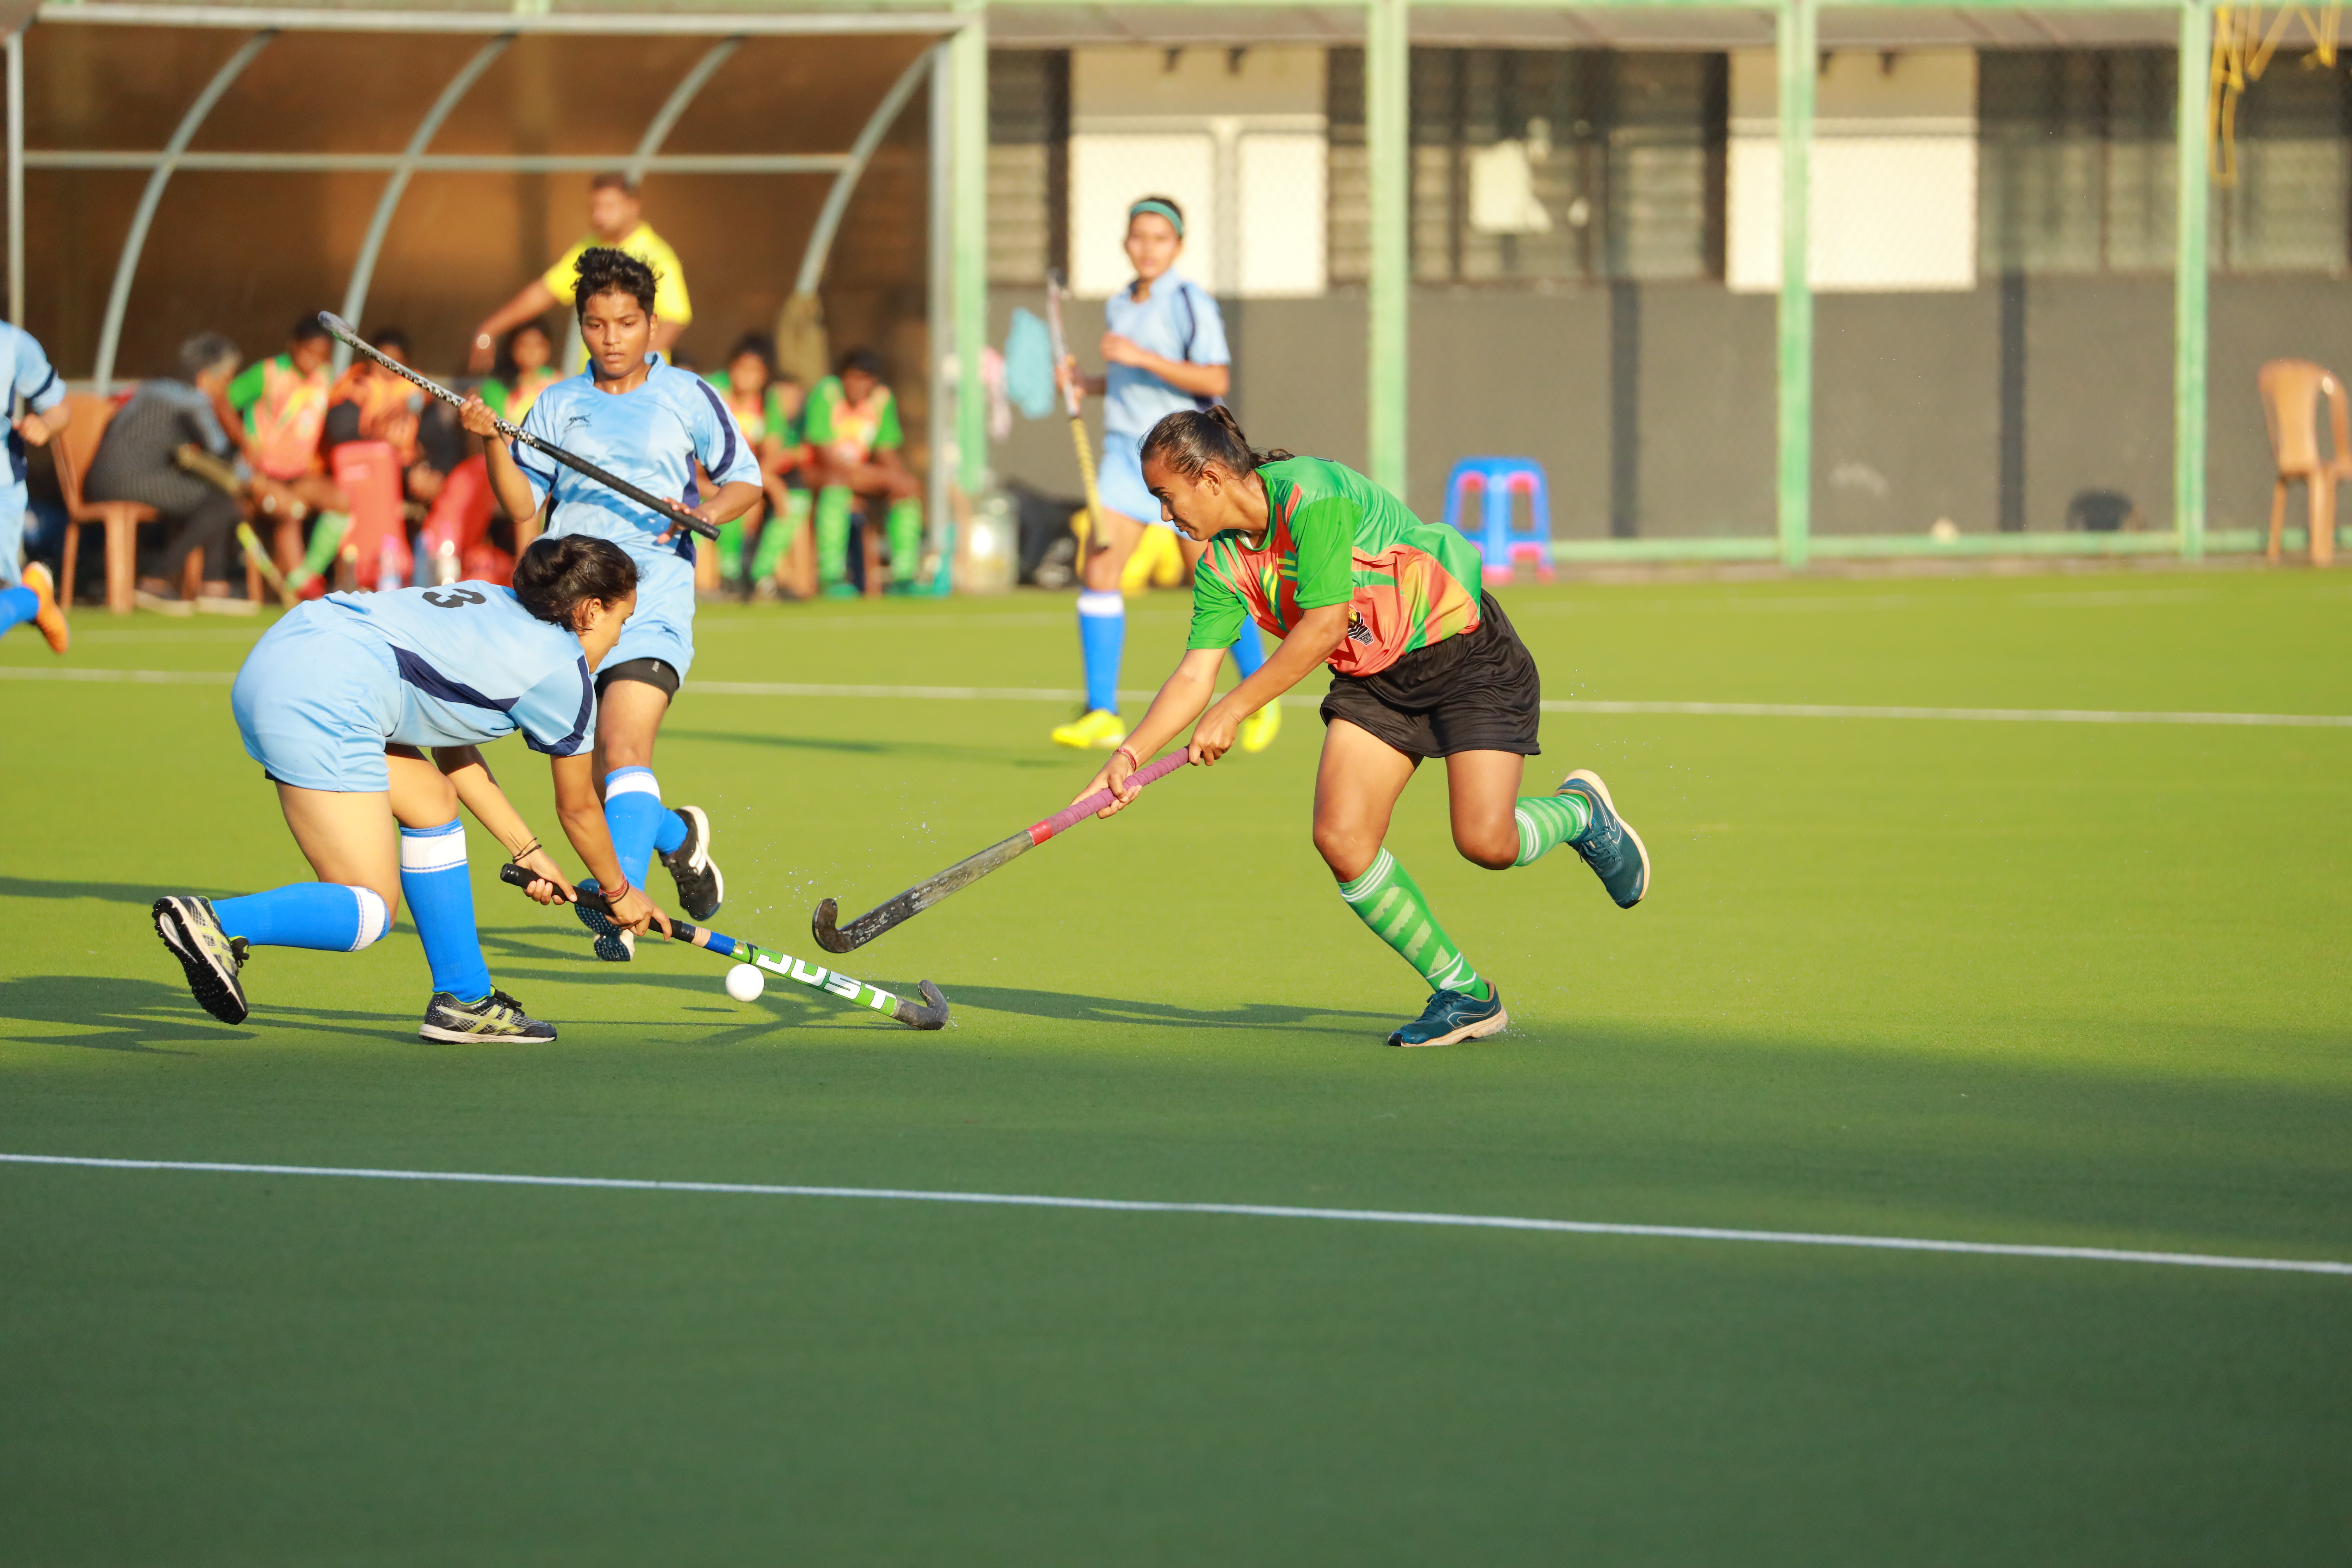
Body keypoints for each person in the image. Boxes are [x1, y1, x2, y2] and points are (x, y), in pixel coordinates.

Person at [1079, 408, 1652, 1049]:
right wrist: (1130, 755)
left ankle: (1581, 815)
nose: (1165, 515)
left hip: (1465, 656)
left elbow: (1323, 625)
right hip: (1375, 680)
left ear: (1210, 479)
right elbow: (1194, 675)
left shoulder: (1311, 495)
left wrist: (1236, 709)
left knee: (1488, 844)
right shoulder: (1222, 565)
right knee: (1342, 838)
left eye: (1167, 496)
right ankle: (1464, 994)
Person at [150, 534, 671, 1042]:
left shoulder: (492, 598)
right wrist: (620, 894)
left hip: (286, 653)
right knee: (370, 909)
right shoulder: (562, 671)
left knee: (430, 801)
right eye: (623, 621)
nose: (621, 638)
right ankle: (214, 921)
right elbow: (579, 808)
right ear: (591, 610)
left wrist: (527, 851)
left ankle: (464, 1000)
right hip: (330, 694)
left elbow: (449, 743)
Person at [462, 246, 761, 961]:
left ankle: (616, 901)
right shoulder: (558, 404)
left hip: (652, 594)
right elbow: (522, 508)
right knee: (597, 774)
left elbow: (745, 483)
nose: (612, 338)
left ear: (652, 324)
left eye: (627, 323)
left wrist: (701, 510)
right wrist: (493, 446)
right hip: (569, 604)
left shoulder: (689, 394)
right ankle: (675, 836)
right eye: (596, 324)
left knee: (625, 749)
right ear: (581, 327)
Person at [1050, 196, 1277, 756]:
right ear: (1126, 242)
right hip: (1123, 457)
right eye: (1139, 237)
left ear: (1178, 245)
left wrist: (1140, 355)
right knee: (1099, 566)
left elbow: (1213, 376)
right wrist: (1091, 384)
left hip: (1183, 460)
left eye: (1160, 238)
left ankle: (1260, 692)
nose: (1147, 247)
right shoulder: (1119, 303)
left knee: (1216, 578)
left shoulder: (1187, 300)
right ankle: (1102, 709)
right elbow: (1134, 383)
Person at [83, 331, 251, 614]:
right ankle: (157, 581)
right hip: (133, 481)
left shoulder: (152, 389)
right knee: (221, 502)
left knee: (214, 498)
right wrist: (252, 475)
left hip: (100, 480)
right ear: (207, 375)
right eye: (227, 378)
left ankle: (212, 585)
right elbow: (220, 452)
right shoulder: (190, 401)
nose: (228, 386)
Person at [466, 173, 691, 377]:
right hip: (593, 384)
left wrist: (629, 367)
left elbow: (673, 320)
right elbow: (545, 292)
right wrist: (490, 329)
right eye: (595, 207)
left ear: (633, 207)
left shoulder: (656, 255)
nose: (599, 215)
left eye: (609, 207)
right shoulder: (590, 247)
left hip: (640, 384)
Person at [224, 313, 352, 585]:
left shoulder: (325, 377)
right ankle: (298, 584)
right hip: (260, 475)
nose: (314, 361)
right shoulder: (269, 372)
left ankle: (306, 577)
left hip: (298, 474)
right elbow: (223, 401)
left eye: (322, 356)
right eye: (309, 353)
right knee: (290, 508)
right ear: (294, 346)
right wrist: (244, 442)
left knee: (342, 502)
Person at [802, 347, 921, 596]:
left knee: (906, 491)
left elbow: (887, 451)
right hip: (820, 475)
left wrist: (899, 481)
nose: (859, 385)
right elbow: (826, 458)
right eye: (854, 378)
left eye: (866, 379)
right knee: (837, 488)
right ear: (843, 377)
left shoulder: (881, 400)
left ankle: (904, 576)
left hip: (860, 476)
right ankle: (831, 576)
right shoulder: (827, 394)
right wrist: (882, 478)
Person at [704, 333, 810, 597]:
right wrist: (755, 484)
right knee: (733, 497)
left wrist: (759, 482)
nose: (747, 377)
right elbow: (700, 450)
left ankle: (761, 576)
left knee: (795, 502)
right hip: (707, 476)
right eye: (743, 368)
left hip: (747, 476)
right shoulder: (713, 390)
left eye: (756, 371)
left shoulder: (768, 399)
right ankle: (729, 576)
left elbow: (772, 451)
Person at [0, 316, 69, 652]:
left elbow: (59, 410)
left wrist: (45, 424)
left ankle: (31, 597)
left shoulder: (13, 345)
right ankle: (33, 596)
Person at [479, 321, 561, 427]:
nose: (532, 351)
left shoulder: (557, 382)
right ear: (512, 347)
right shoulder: (495, 387)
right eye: (525, 344)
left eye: (538, 345)